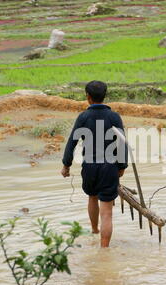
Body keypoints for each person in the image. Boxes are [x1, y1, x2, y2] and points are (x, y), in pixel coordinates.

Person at [61, 80, 128, 248]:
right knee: (107, 212)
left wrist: (66, 165)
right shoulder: (114, 117)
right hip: (109, 167)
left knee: (92, 197)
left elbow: (72, 142)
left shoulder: (83, 117)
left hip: (90, 166)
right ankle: (104, 248)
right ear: (104, 96)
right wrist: (122, 166)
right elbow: (122, 143)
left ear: (88, 97)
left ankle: (94, 230)